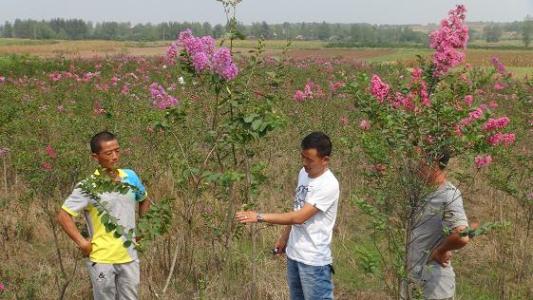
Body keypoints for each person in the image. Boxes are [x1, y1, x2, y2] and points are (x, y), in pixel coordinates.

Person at [236, 132, 339, 300]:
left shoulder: (328, 185)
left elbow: (300, 217)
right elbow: (297, 208)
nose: (305, 163)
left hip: (314, 263)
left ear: (325, 160)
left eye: (310, 160)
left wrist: (259, 216)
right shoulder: (303, 174)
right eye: (303, 157)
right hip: (294, 255)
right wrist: (285, 238)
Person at [57, 131, 150, 300]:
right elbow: (63, 216)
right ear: (95, 157)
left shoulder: (130, 176)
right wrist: (82, 243)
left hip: (129, 256)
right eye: (108, 153)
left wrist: (142, 230)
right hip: (102, 259)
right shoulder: (87, 186)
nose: (114, 156)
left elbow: (144, 199)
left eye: (117, 151)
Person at [405, 151, 472, 300]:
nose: (417, 166)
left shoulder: (449, 194)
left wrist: (441, 250)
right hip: (413, 283)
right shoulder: (419, 192)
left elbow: (462, 235)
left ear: (433, 162)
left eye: (420, 161)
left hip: (434, 288)